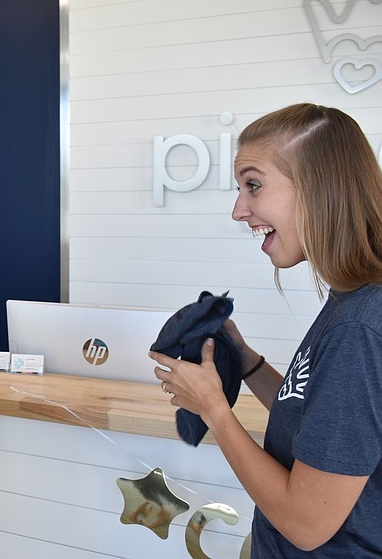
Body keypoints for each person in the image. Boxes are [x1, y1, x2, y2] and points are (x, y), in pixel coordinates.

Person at [149, 104, 382, 556]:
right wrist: (246, 358)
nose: (239, 210)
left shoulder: (360, 327)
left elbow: (306, 523)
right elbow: (320, 423)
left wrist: (214, 409)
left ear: (320, 188)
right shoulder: (352, 303)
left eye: (253, 185)